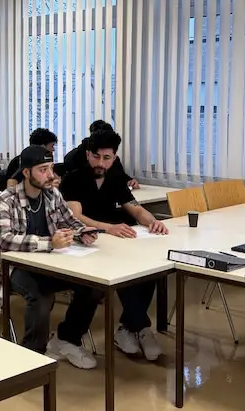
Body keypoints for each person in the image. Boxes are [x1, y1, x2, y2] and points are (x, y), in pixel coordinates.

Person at [0, 145, 103, 368]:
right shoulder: (6, 199)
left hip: (50, 263)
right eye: (43, 170)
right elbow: (4, 240)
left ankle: (66, 339)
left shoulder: (52, 194)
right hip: (12, 267)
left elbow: (70, 221)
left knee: (93, 286)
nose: (50, 175)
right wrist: (49, 243)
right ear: (26, 172)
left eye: (51, 168)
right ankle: (33, 354)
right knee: (41, 295)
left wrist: (82, 232)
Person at [60, 128, 168, 360]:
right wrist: (107, 227)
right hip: (84, 243)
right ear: (88, 155)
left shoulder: (115, 178)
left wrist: (153, 221)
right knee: (123, 274)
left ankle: (129, 328)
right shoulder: (73, 179)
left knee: (149, 271)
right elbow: (76, 217)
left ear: (114, 158)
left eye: (107, 158)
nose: (101, 163)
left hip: (111, 242)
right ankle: (141, 327)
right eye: (96, 156)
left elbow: (135, 208)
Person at [64, 120, 139, 189]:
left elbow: (120, 176)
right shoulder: (76, 156)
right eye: (96, 156)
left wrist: (130, 181)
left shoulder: (113, 158)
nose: (101, 163)